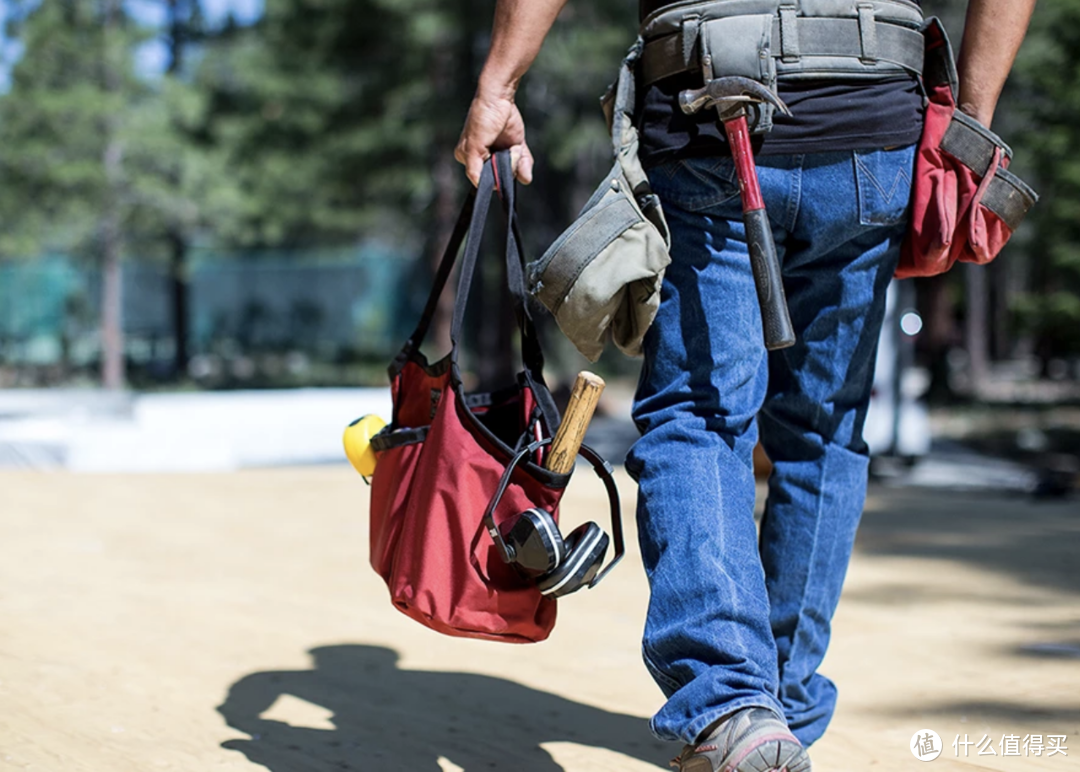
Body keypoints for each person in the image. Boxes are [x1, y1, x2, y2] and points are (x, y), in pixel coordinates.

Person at [455, 1, 1036, 770]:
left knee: (700, 415)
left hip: (709, 115)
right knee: (821, 430)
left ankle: (734, 705)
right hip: (874, 125)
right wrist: (973, 120)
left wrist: (499, 82)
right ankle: (780, 708)